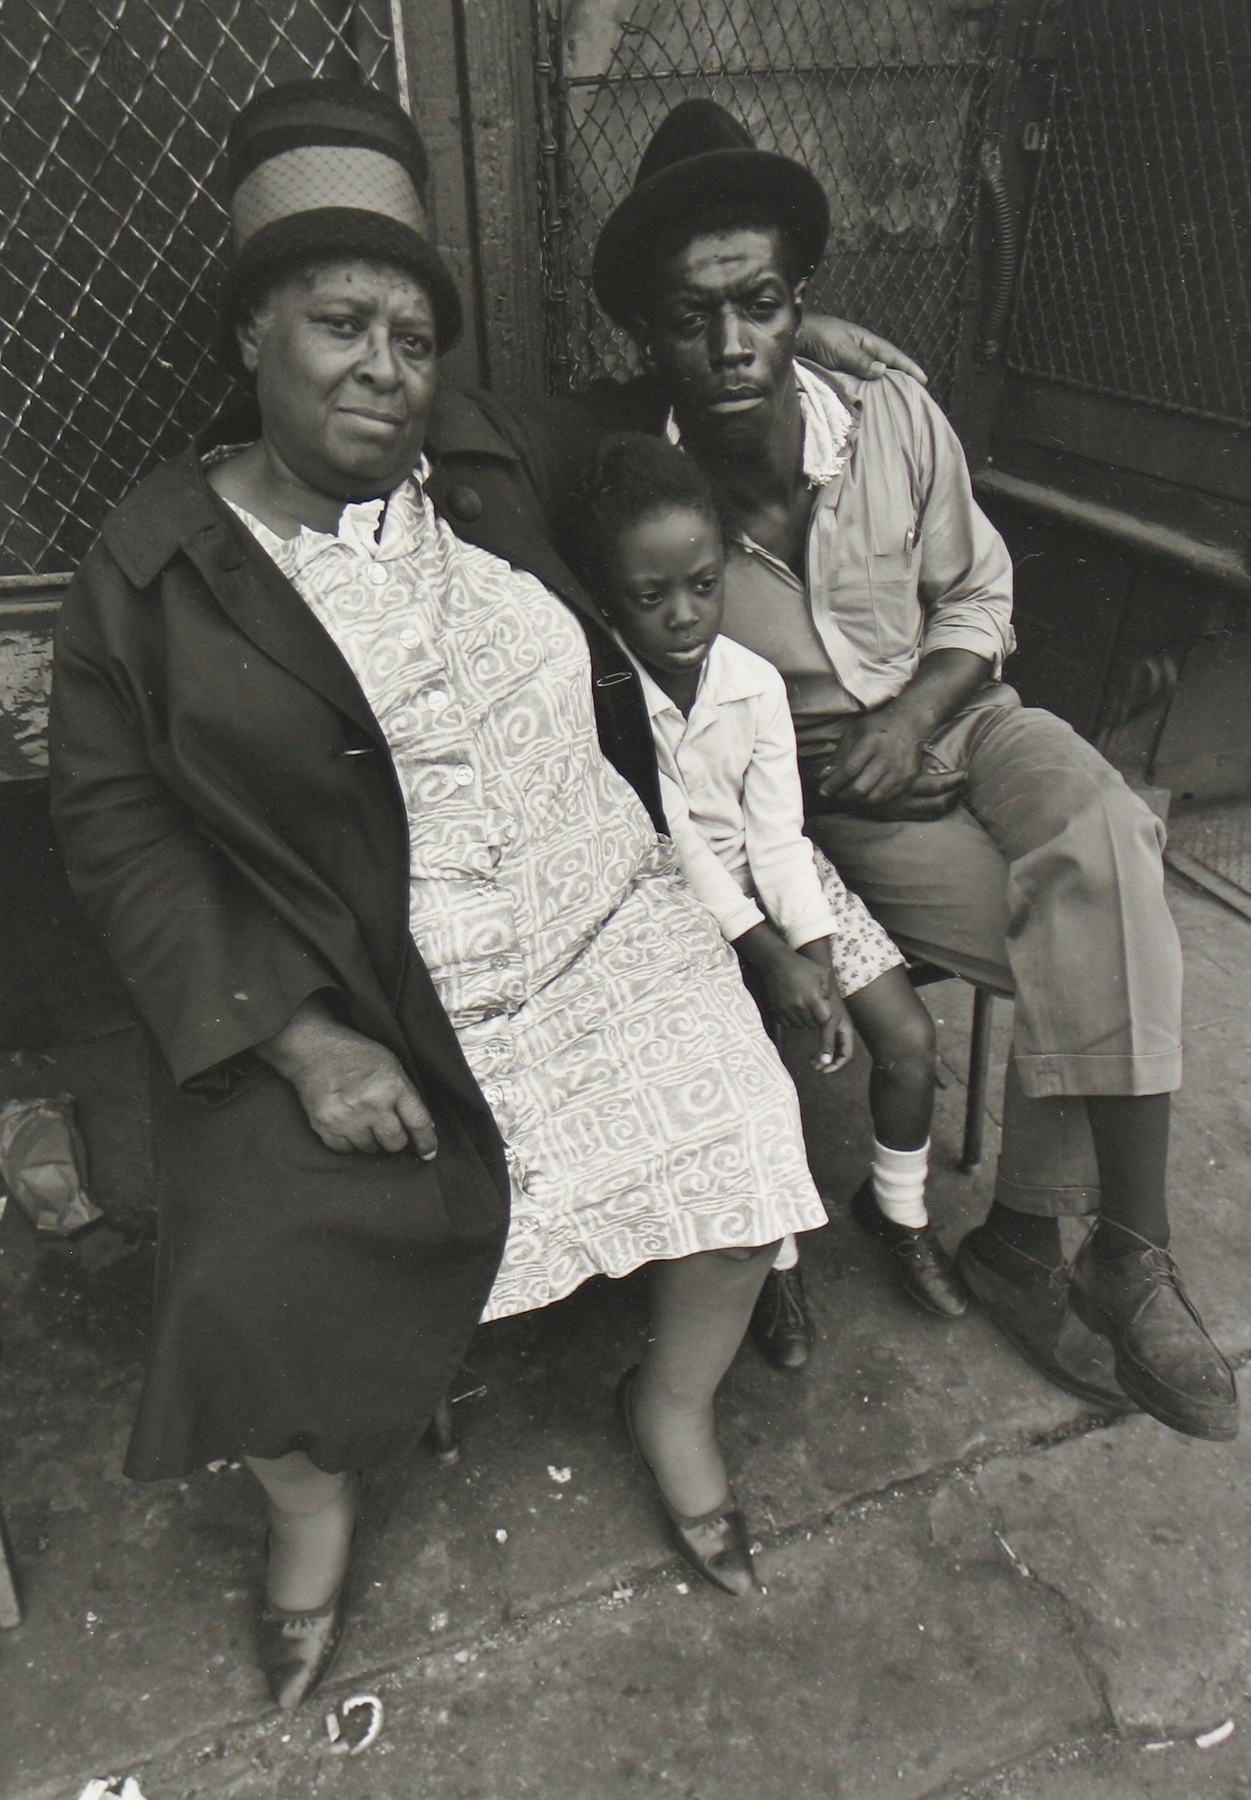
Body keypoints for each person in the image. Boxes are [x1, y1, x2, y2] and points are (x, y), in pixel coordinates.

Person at [48, 82, 838, 1709]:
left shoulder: (489, 451)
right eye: (338, 321)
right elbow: (121, 830)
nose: (382, 365)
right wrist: (290, 1041)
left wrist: (848, 374)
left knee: (744, 1125)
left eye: (412, 330)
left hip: (588, 919)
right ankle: (313, 1514)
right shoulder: (151, 565)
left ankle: (668, 1407)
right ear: (252, 330)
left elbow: (686, 430)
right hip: (337, 983)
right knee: (242, 1281)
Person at [584, 98, 1239, 1443]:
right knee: (1090, 926)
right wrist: (855, 754)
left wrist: (923, 705)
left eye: (759, 303)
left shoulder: (891, 417)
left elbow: (980, 597)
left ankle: (1122, 1245)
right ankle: (1028, 1246)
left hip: (973, 723)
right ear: (647, 332)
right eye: (692, 315)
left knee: (1106, 832)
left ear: (799, 300)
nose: (729, 343)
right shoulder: (638, 489)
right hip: (842, 807)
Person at [567, 433, 968, 1365]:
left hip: (784, 889)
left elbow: (780, 837)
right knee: (762, 1072)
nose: (683, 615)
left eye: (704, 586)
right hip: (674, 901)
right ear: (606, 595)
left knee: (906, 1038)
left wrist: (818, 953)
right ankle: (775, 1260)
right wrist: (778, 963)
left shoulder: (752, 684)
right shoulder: (610, 697)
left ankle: (898, 1210)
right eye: (651, 596)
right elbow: (682, 849)